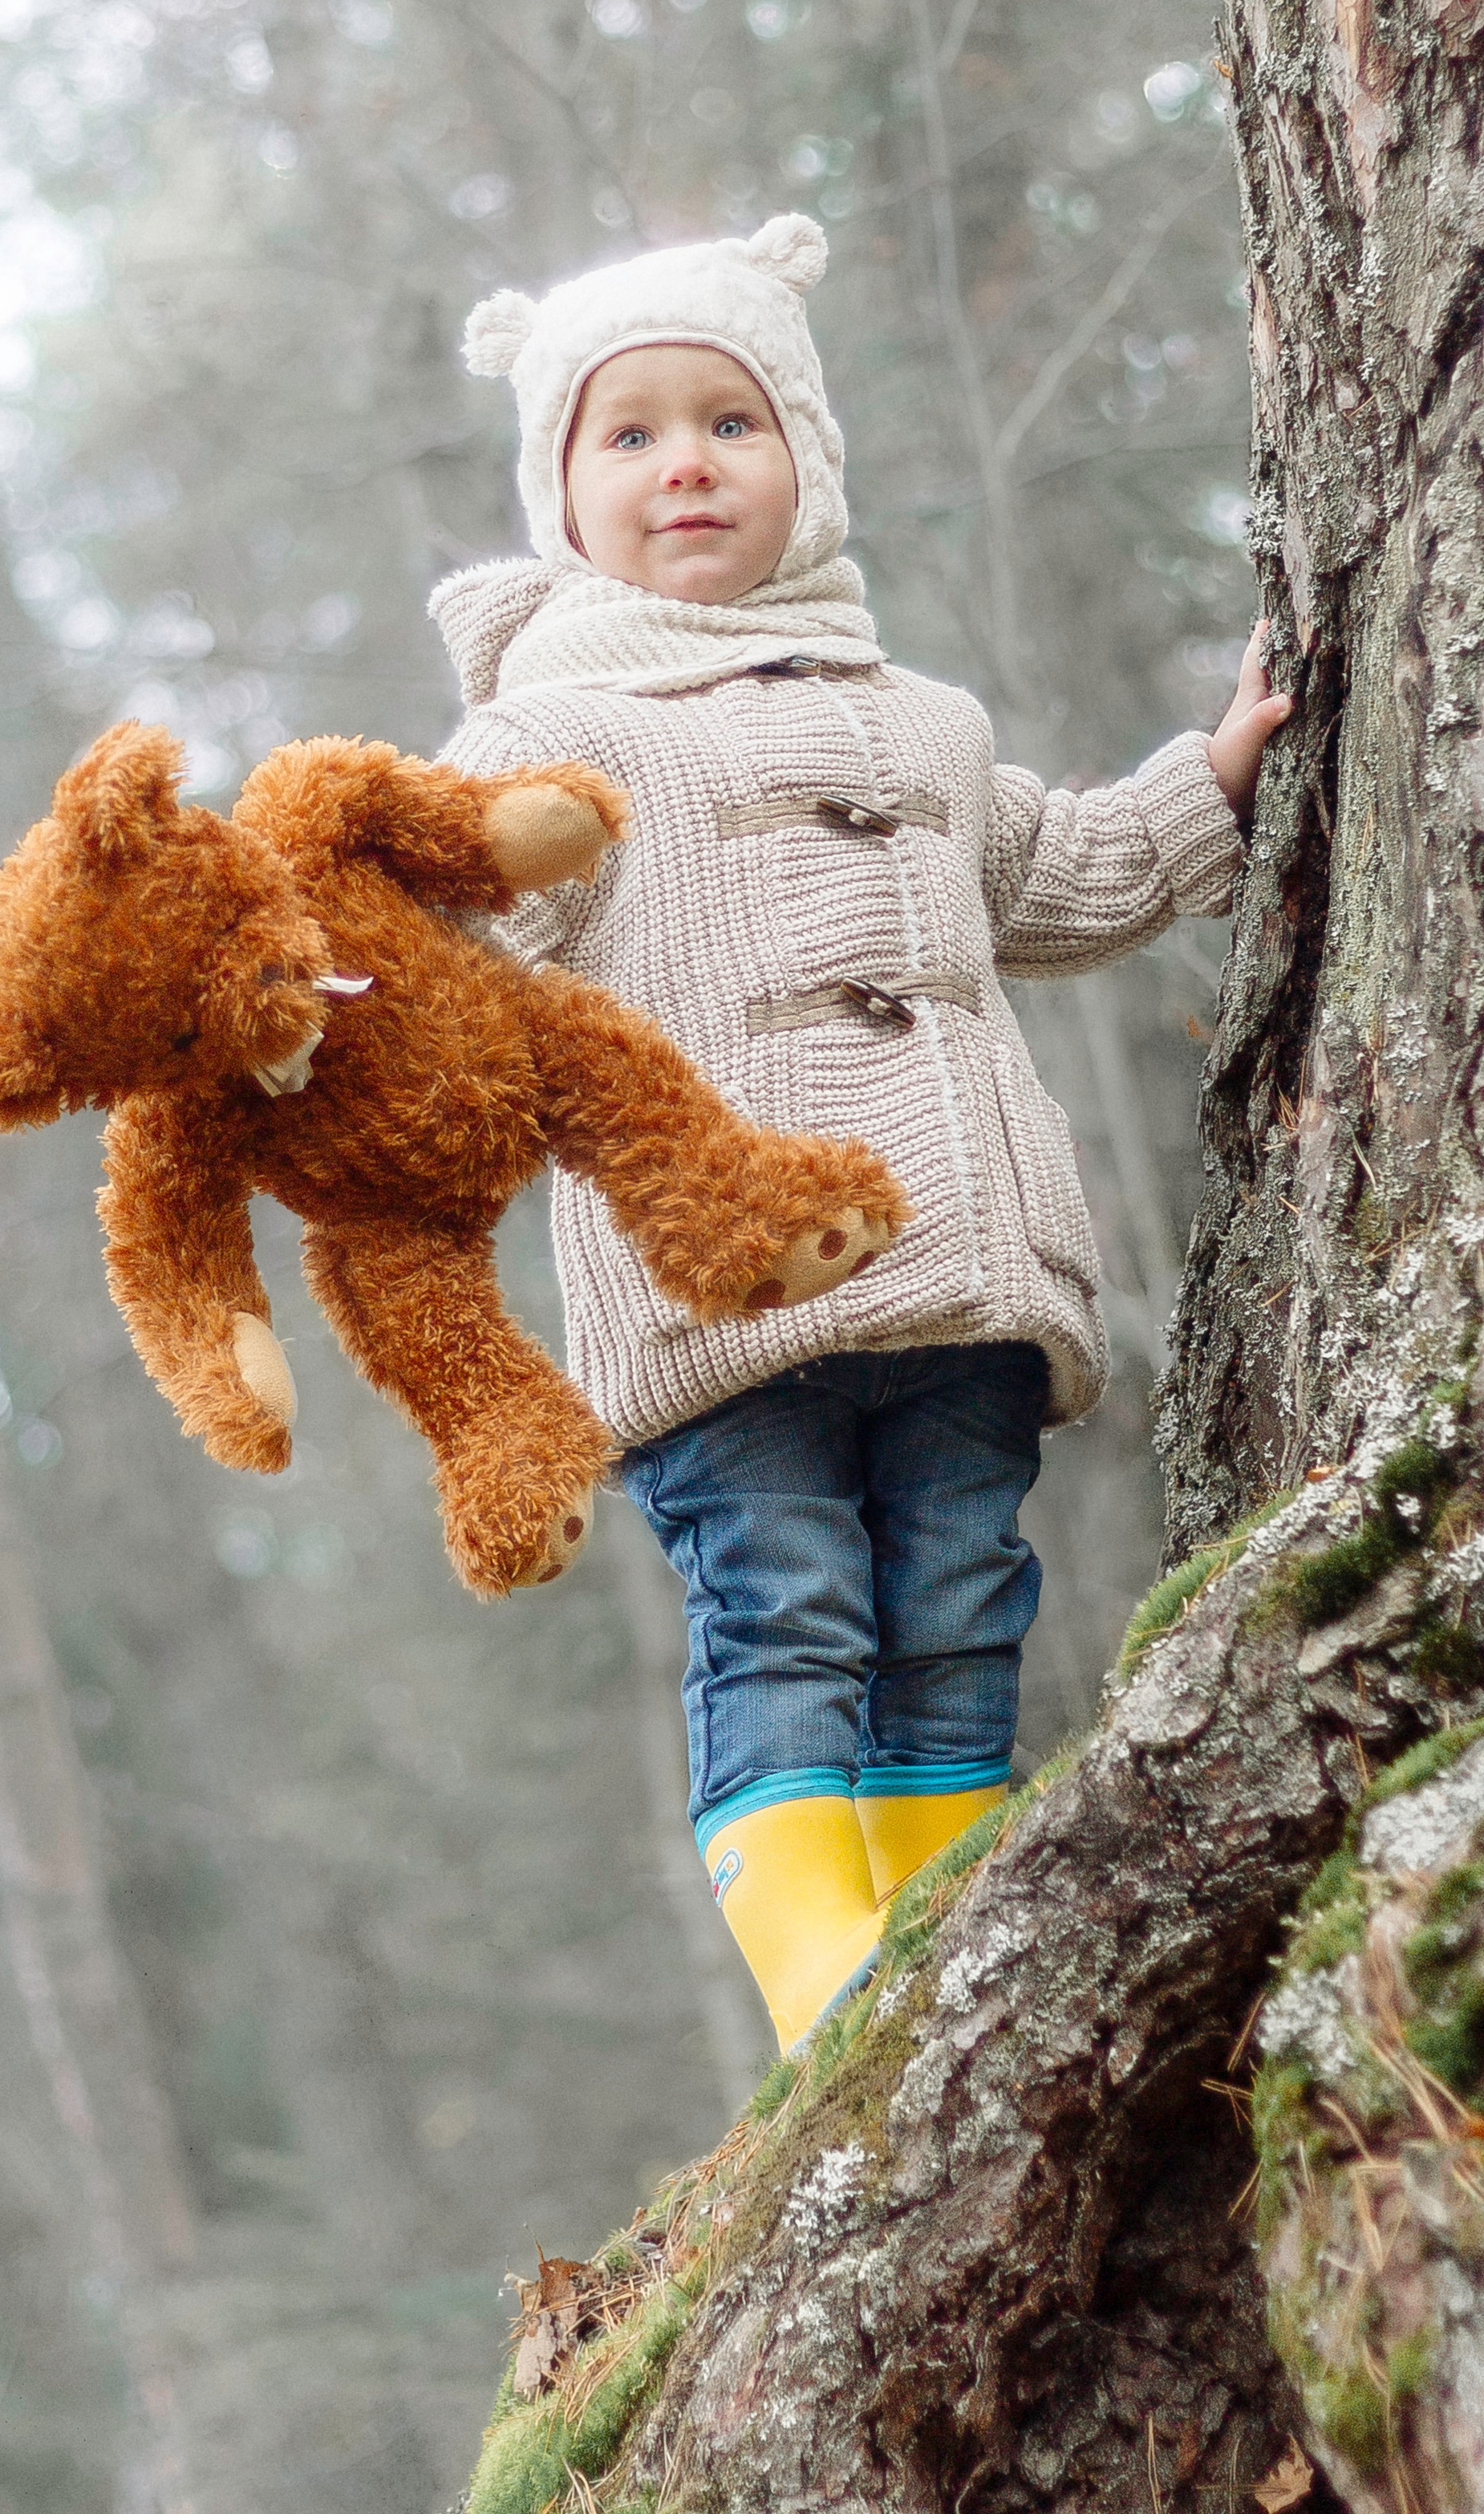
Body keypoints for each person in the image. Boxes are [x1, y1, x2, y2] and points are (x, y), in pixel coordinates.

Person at [432, 213, 1289, 2055]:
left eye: (730, 423)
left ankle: (942, 1941)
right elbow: (452, 952)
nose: (685, 464)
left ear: (804, 461)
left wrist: (1206, 779)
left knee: (960, 1599)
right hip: (722, 1298)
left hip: (955, 1273)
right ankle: (828, 1993)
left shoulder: (916, 718)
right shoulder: (541, 741)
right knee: (791, 1615)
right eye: (630, 432)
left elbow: (1051, 876)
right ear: (559, 495)